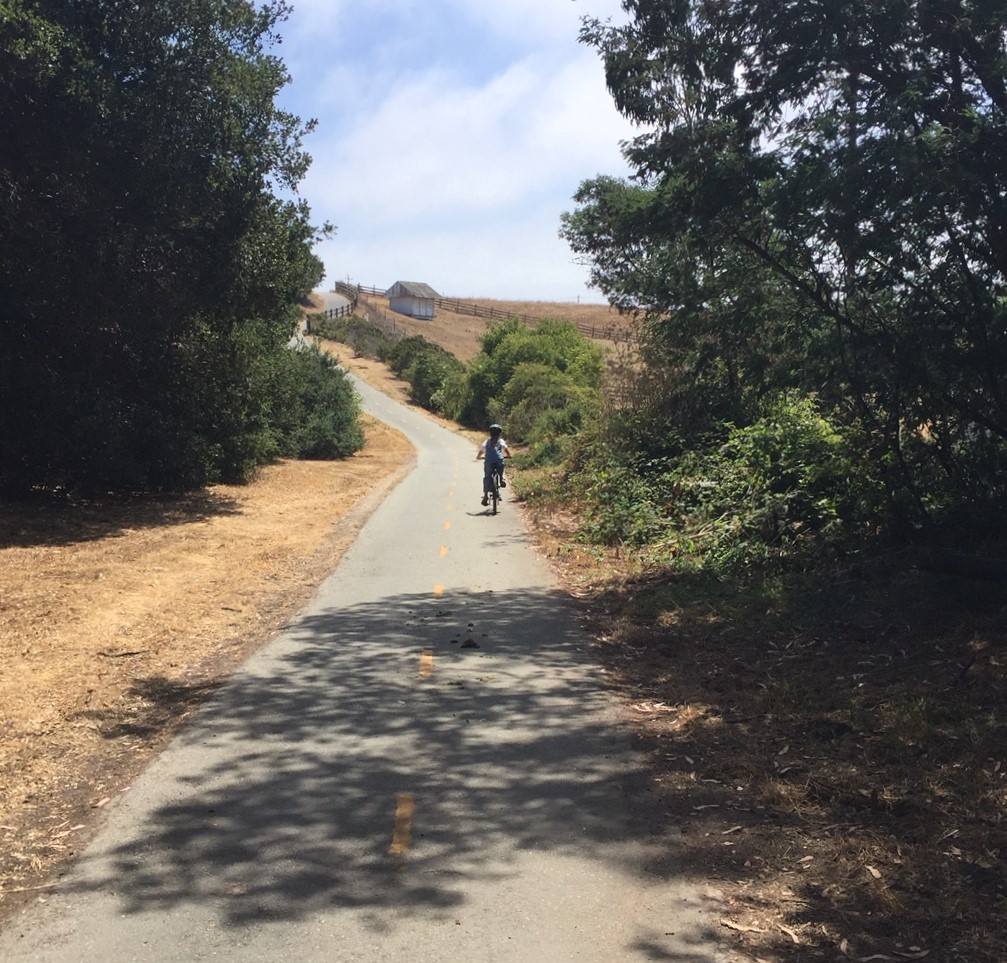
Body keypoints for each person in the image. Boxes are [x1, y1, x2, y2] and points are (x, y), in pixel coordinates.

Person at [477, 424, 511, 506]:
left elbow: (482, 450)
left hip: (488, 460)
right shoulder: (501, 441)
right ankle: (501, 478)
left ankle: (485, 497)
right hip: (499, 460)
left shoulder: (487, 441)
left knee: (487, 477)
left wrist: (478, 456)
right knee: (501, 467)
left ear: (490, 433)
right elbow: (506, 450)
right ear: (499, 433)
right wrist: (509, 456)